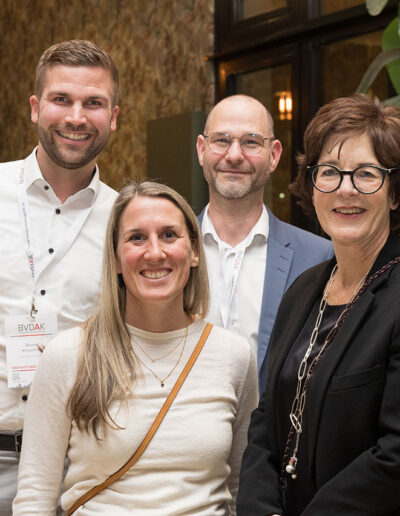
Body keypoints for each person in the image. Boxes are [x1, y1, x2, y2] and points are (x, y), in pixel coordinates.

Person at [13, 181, 258, 515]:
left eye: (169, 235)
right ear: (115, 258)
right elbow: (35, 497)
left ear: (194, 252)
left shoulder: (234, 356)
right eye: (137, 238)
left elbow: (241, 489)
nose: (154, 253)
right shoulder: (69, 355)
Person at [237, 93, 400, 516]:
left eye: (366, 174)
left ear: (394, 193)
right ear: (311, 187)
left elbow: (395, 455)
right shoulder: (303, 290)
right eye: (329, 172)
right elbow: (265, 423)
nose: (346, 189)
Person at [0, 40, 119, 514]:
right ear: (35, 107)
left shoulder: (126, 223)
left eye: (93, 103)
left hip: (76, 470)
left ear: (114, 116)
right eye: (61, 99)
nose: (76, 117)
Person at [196, 95, 333, 392]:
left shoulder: (320, 258)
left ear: (274, 155)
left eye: (251, 142)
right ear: (201, 150)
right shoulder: (168, 252)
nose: (234, 155)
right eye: (222, 140)